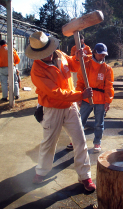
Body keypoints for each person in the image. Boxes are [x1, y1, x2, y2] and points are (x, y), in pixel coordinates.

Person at [26, 31, 96, 191]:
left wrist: (78, 58)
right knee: (48, 143)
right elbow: (55, 93)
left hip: (70, 107)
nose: (49, 55)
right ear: (36, 55)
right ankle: (42, 171)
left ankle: (85, 176)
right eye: (44, 54)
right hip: (52, 108)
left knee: (80, 141)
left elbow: (73, 65)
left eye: (49, 51)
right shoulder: (37, 70)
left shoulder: (60, 54)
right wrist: (80, 95)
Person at [73, 43, 114, 153]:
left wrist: (108, 101)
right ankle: (76, 141)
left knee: (99, 123)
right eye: (100, 54)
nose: (102, 56)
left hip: (100, 100)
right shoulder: (85, 65)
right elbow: (80, 82)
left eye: (104, 54)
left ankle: (97, 142)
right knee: (80, 121)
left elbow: (109, 86)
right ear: (95, 53)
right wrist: (79, 96)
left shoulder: (107, 69)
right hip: (87, 98)